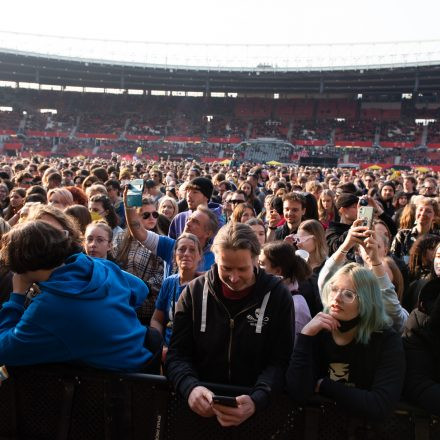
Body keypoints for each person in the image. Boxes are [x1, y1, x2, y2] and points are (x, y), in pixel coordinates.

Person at [165, 223, 293, 427]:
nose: (234, 278)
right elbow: (177, 354)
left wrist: (257, 399)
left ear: (255, 260)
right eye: (226, 268)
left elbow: (281, 360)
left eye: (242, 269)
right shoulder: (194, 292)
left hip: (257, 416)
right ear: (214, 259)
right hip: (200, 413)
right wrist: (190, 387)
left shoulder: (278, 296)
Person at [0, 220, 161, 373]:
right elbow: (139, 288)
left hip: (118, 385)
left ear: (20, 267)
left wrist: (17, 296)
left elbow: (4, 350)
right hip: (146, 359)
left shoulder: (48, 307)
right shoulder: (95, 265)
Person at [286, 259, 405, 421]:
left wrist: (325, 385)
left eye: (348, 294)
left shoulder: (386, 339)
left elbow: (380, 405)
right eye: (334, 290)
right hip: (316, 428)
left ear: (367, 301)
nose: (336, 298)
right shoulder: (317, 331)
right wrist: (305, 336)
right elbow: (297, 392)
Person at [124, 187, 219, 277]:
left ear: (208, 233)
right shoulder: (170, 246)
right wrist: (129, 207)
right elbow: (139, 233)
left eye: (195, 222)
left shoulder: (216, 258)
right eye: (189, 219)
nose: (188, 223)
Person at [150, 233, 202, 359]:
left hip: (195, 355)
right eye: (182, 249)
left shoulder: (205, 285)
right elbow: (157, 319)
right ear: (174, 255)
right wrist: (161, 345)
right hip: (168, 351)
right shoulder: (169, 282)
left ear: (200, 256)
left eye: (192, 250)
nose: (186, 253)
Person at [114, 198, 165, 325]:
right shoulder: (121, 238)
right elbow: (113, 263)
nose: (152, 218)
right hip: (121, 303)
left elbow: (164, 275)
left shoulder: (162, 241)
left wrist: (144, 287)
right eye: (146, 215)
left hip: (147, 308)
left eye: (155, 214)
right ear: (134, 217)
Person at [259, 241, 311, 344]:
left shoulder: (296, 307)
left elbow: (294, 349)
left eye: (261, 264)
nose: (256, 267)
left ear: (278, 271)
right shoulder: (268, 294)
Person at [391, 197, 440, 263]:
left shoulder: (437, 237)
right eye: (420, 210)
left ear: (434, 216)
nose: (423, 214)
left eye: (428, 211)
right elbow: (393, 258)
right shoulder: (403, 235)